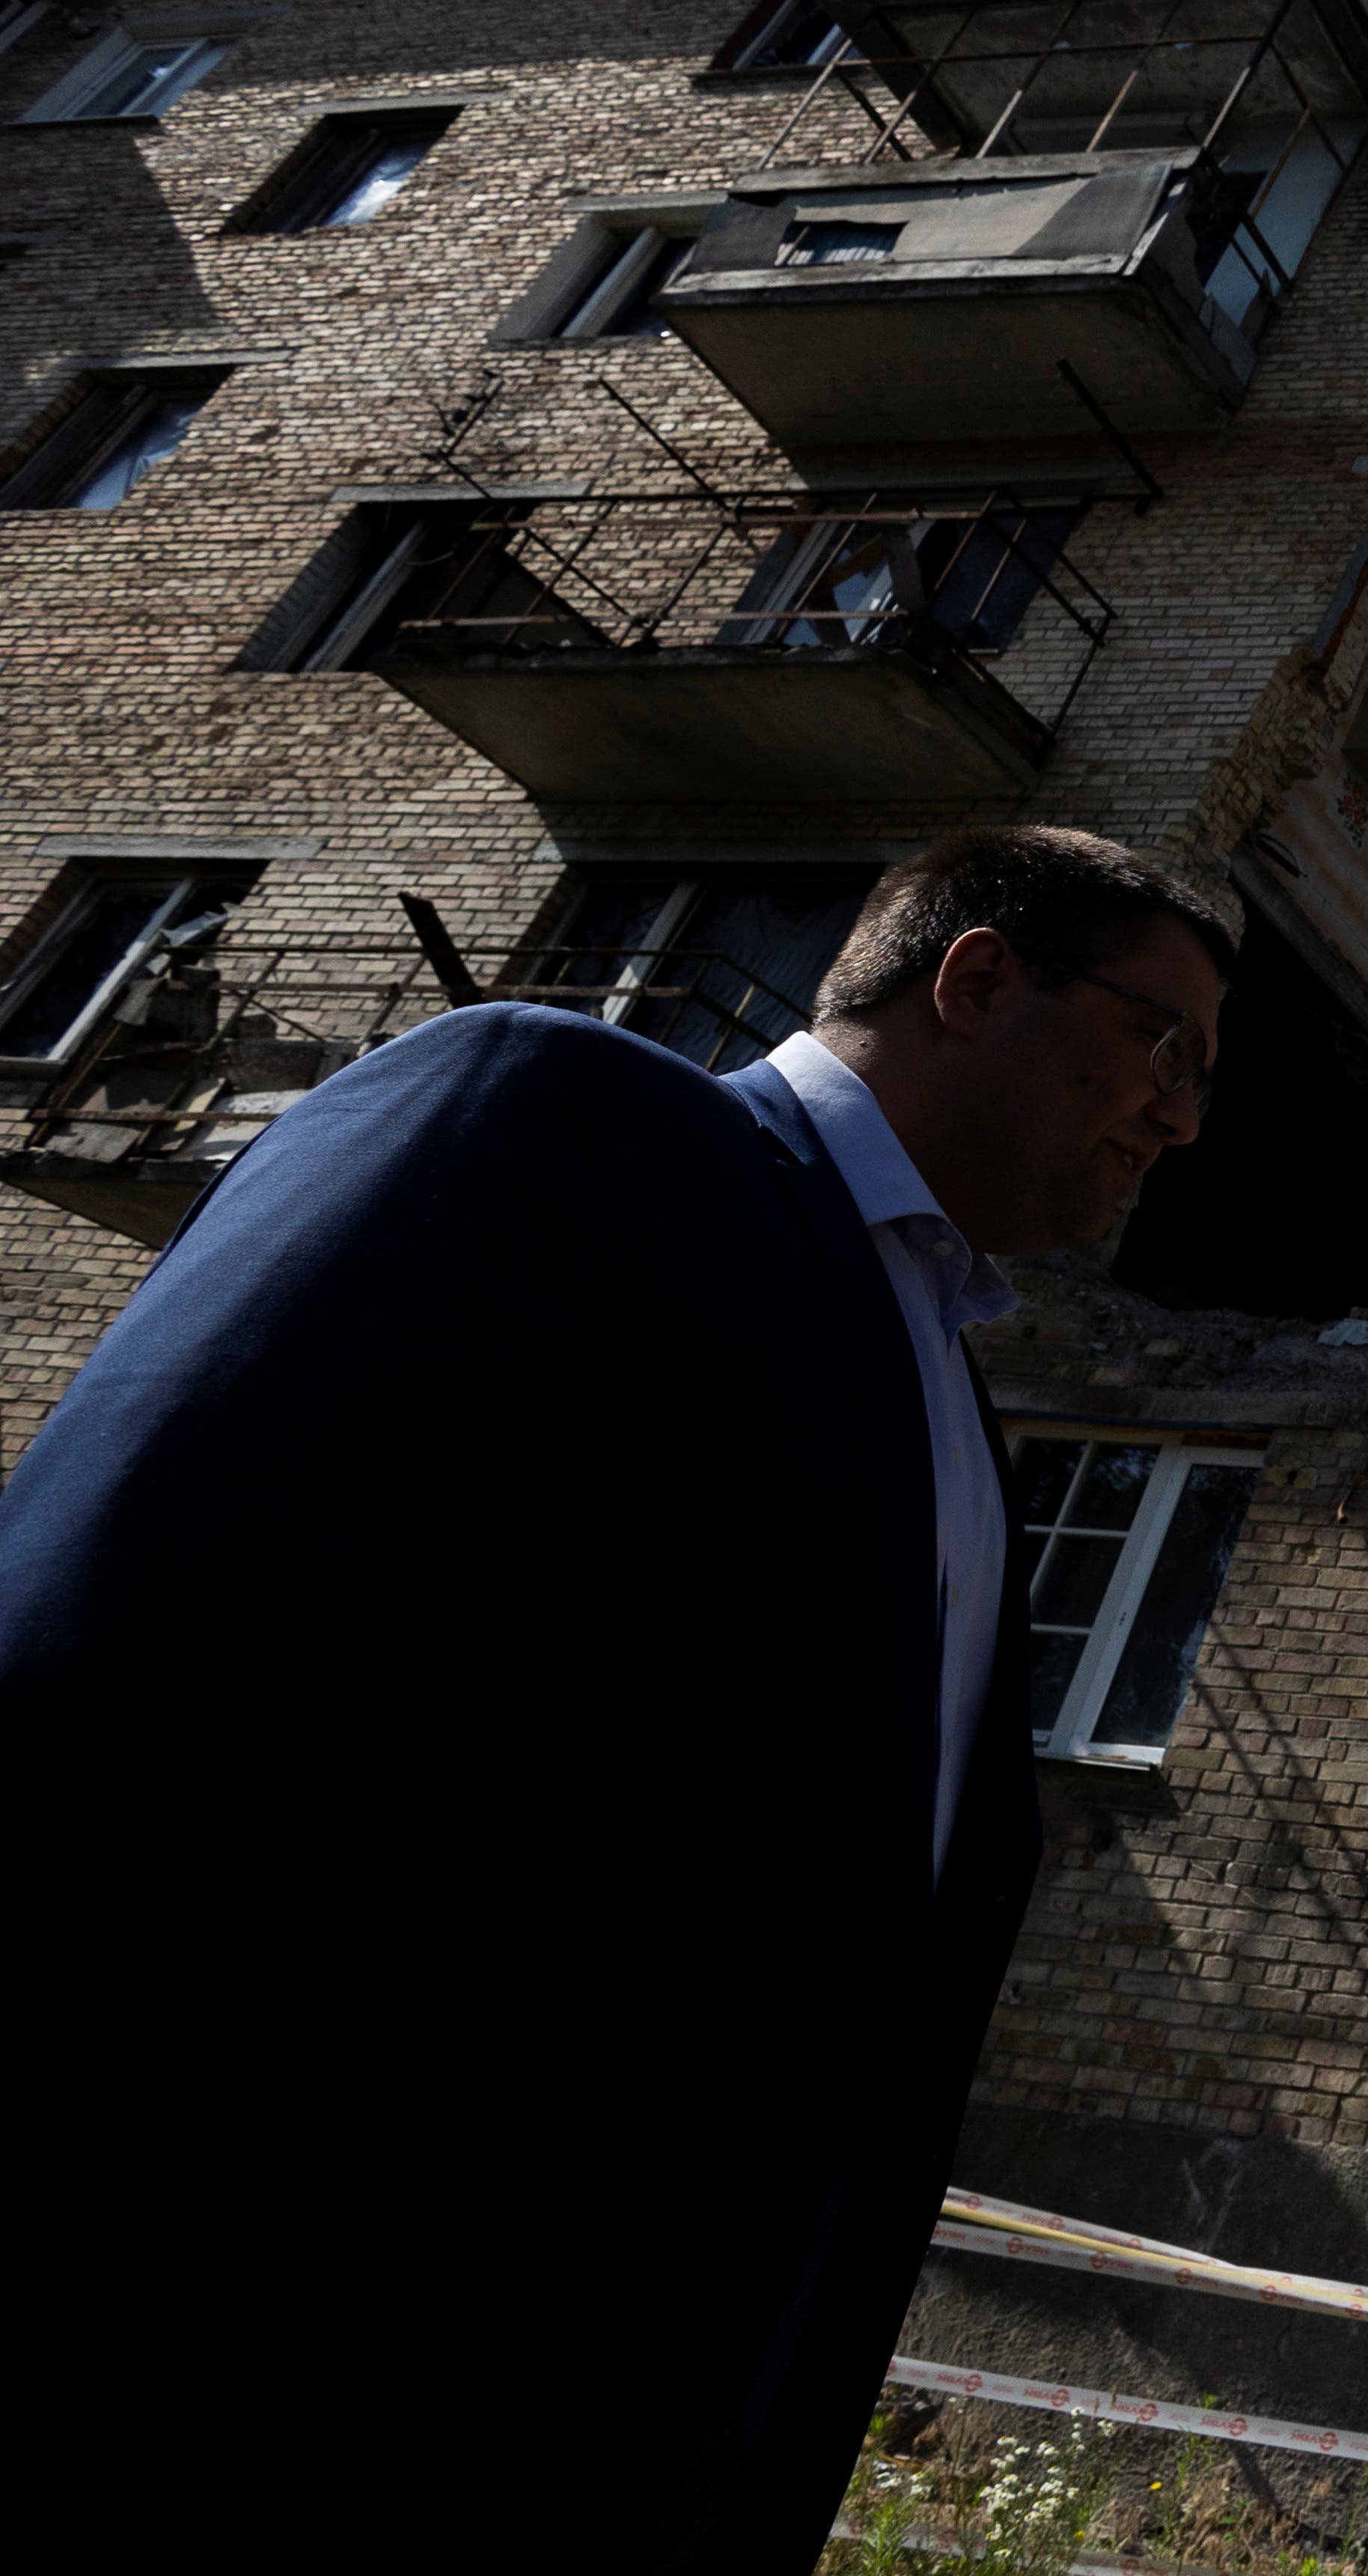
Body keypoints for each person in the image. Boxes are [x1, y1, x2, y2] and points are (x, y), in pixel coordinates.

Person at [0, 824, 1231, 2570]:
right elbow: (104, 1669)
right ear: (974, 979)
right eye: (1163, 1040)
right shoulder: (562, 1115)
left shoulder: (956, 1406)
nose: (1182, 1116)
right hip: (267, 2407)